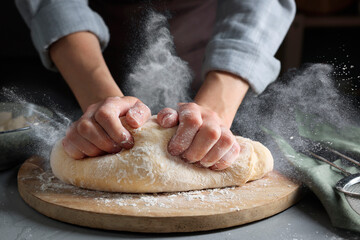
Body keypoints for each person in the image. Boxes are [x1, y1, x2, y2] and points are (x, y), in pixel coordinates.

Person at [16, 0, 296, 170]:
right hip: (84, 62)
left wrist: (215, 111)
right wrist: (101, 106)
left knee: (213, 145)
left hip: (216, 60)